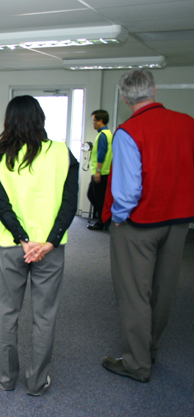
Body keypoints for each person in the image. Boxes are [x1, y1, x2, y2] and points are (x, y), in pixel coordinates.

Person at [101, 69, 194, 383]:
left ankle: (137, 363)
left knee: (134, 293)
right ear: (153, 90)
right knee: (164, 290)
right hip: (179, 221)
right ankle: (149, 348)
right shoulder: (188, 123)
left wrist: (116, 219)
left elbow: (128, 192)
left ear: (125, 98)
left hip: (139, 224)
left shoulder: (129, 131)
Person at [0, 96, 78, 396]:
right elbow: (69, 204)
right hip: (50, 250)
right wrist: (48, 242)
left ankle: (5, 377)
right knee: (44, 316)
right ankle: (37, 383)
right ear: (40, 119)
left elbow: (2, 207)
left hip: (13, 247)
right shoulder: (62, 153)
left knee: (7, 313)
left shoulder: (3, 158)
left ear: (9, 121)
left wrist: (24, 241)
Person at [86, 109, 113, 231]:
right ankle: (104, 220)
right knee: (96, 196)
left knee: (97, 197)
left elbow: (102, 154)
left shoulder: (103, 135)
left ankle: (103, 222)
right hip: (105, 171)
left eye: (94, 121)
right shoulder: (108, 134)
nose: (93, 123)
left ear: (100, 121)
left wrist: (97, 171)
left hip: (101, 173)